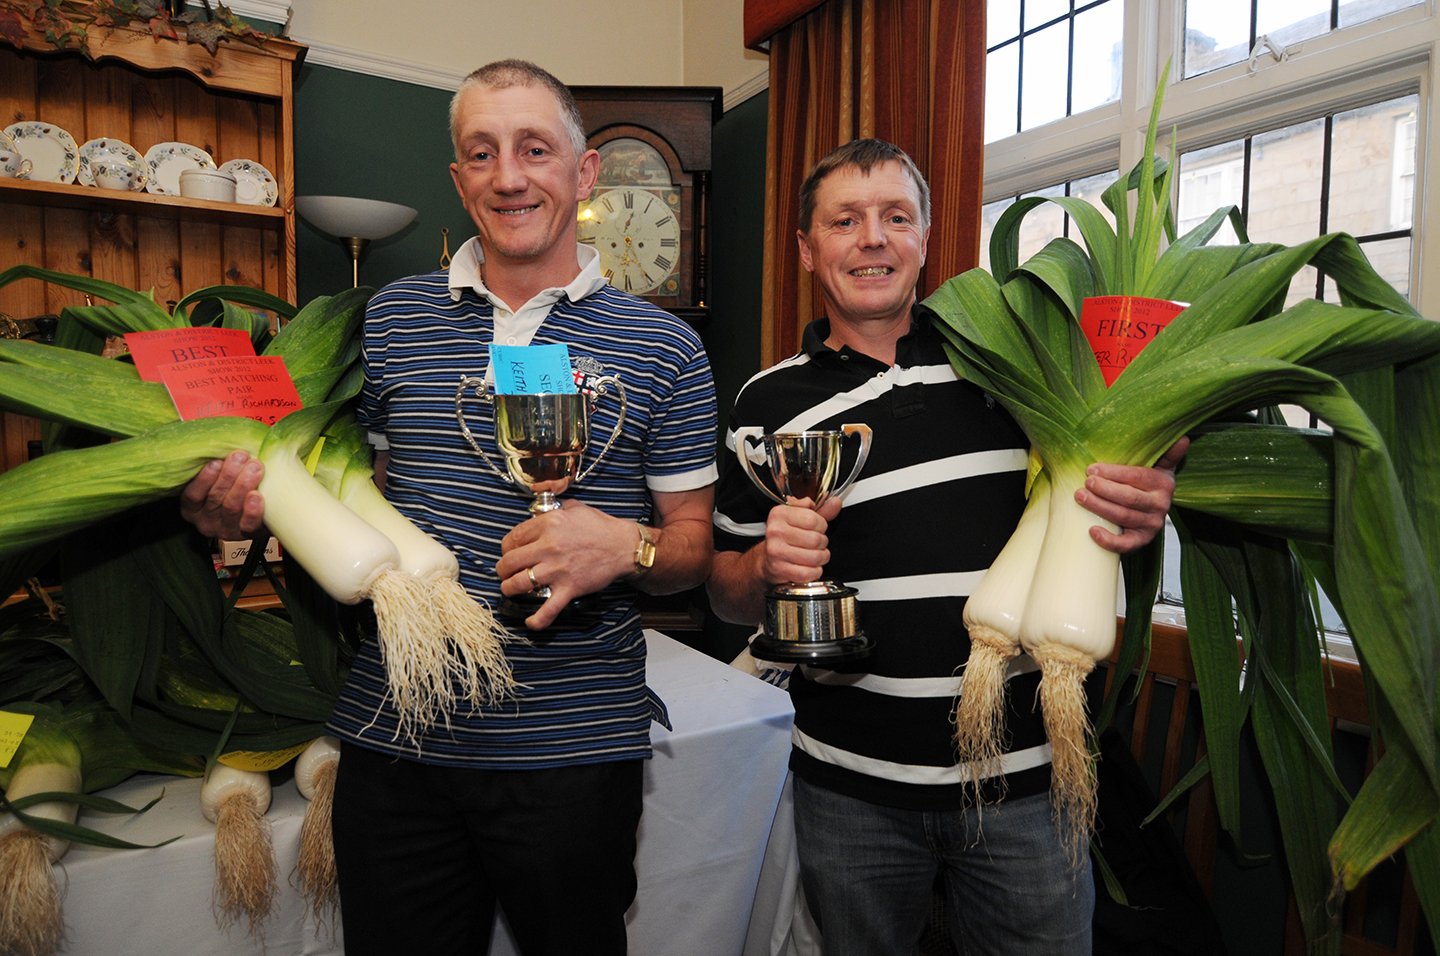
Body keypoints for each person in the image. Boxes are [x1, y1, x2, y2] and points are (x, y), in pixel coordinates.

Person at [180, 60, 717, 955]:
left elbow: (698, 546)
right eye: (482, 152)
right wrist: (234, 511)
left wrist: (629, 547)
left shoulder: (665, 344)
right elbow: (354, 497)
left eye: (535, 148)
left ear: (583, 175)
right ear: (461, 179)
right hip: (398, 739)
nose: (510, 175)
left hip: (574, 747)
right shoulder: (387, 320)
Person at [706, 138, 1186, 954]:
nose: (872, 239)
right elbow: (723, 587)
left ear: (927, 238)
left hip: (1029, 788)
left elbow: (1092, 487)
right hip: (845, 791)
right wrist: (765, 565)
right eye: (844, 220)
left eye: (897, 217)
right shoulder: (765, 402)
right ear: (805, 248)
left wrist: (1137, 500)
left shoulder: (1014, 365)